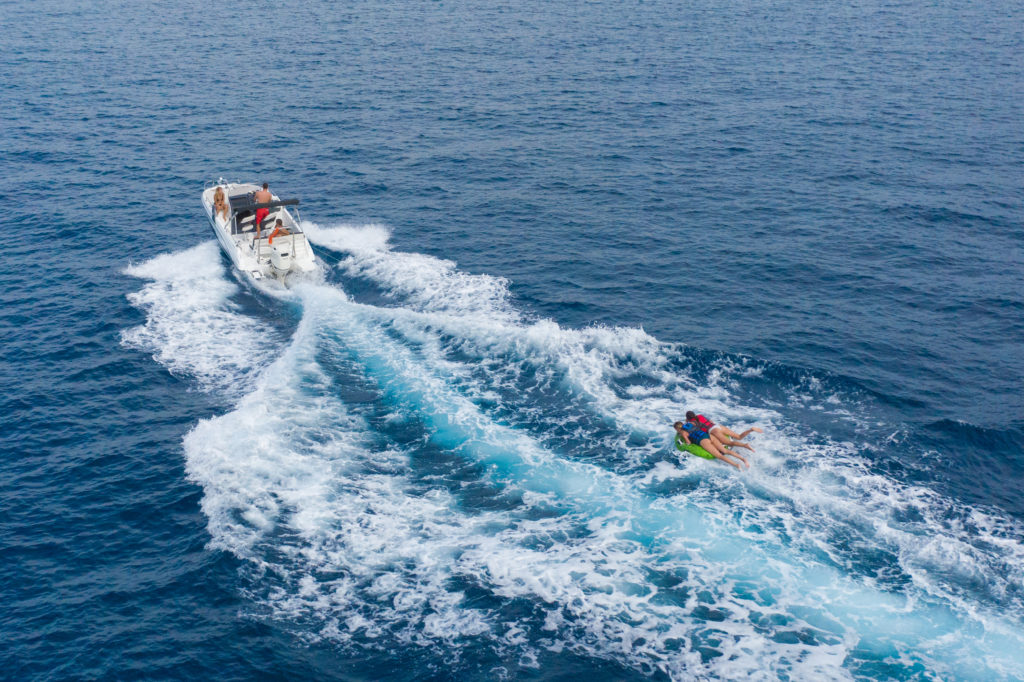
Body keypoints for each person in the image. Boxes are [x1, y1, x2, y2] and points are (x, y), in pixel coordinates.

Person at [674, 421, 749, 470]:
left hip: (703, 441)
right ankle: (743, 459)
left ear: (677, 429)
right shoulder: (691, 423)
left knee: (719, 456)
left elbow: (689, 443)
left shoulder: (683, 433)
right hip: (709, 436)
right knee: (725, 450)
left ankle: (736, 465)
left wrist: (685, 442)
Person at [685, 410, 762, 452]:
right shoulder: (700, 415)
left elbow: (695, 431)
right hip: (718, 426)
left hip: (713, 431)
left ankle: (745, 445)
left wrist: (687, 421)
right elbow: (711, 421)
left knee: (729, 443)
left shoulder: (691, 423)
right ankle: (751, 429)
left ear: (687, 418)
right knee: (739, 437)